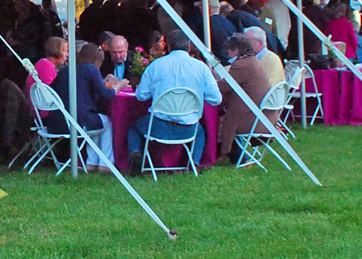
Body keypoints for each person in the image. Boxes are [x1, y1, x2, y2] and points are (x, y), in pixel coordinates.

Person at [126, 32, 221, 174]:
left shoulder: (156, 65)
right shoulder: (201, 68)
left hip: (157, 126)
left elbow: (141, 96)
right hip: (188, 128)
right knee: (201, 132)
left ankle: (136, 154)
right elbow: (216, 99)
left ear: (168, 47)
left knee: (133, 128)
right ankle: (193, 163)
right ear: (188, 47)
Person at [48, 42, 119, 171]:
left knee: (97, 122)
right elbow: (106, 95)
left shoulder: (66, 70)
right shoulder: (91, 69)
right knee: (106, 122)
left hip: (56, 122)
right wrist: (119, 86)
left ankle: (91, 163)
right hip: (77, 122)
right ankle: (105, 163)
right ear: (97, 60)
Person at [215, 33, 272, 164]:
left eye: (229, 52)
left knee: (226, 121)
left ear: (236, 50)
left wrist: (209, 83)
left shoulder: (241, 65)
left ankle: (231, 155)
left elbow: (225, 86)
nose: (228, 55)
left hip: (249, 116)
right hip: (259, 112)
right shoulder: (253, 61)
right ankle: (234, 155)